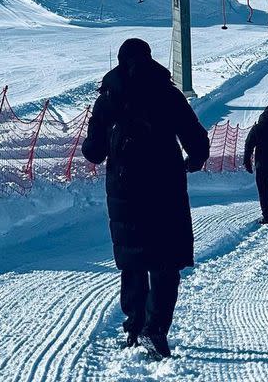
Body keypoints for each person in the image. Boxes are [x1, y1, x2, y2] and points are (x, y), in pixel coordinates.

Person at [82, 38, 210, 360]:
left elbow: (94, 152)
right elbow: (195, 138)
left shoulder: (108, 97)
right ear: (149, 59)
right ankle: (156, 329)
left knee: (134, 260)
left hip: (125, 189)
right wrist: (193, 161)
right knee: (166, 261)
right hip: (165, 186)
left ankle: (134, 326)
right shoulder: (167, 93)